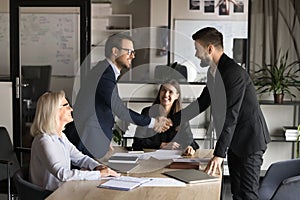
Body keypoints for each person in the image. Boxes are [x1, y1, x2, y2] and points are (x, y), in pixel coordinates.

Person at [169, 27, 270, 199]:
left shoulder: (233, 73)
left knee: (248, 195)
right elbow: (202, 103)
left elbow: (231, 116)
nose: (196, 54)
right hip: (234, 141)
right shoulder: (213, 71)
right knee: (236, 193)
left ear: (210, 49)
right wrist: (172, 120)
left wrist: (218, 154)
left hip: (249, 141)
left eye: (197, 49)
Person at [73, 33, 172, 159]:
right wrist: (153, 122)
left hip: (92, 136)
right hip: (86, 137)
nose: (133, 56)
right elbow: (119, 109)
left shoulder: (106, 71)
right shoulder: (104, 74)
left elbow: (103, 108)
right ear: (115, 51)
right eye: (129, 51)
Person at [29, 91, 120, 191]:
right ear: (54, 111)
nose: (71, 109)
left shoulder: (61, 136)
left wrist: (99, 167)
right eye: (66, 105)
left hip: (63, 190)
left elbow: (80, 159)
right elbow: (62, 174)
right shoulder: (44, 140)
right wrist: (99, 174)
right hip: (50, 195)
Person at [132, 79, 199, 156]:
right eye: (163, 90)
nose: (166, 94)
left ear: (177, 96)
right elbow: (137, 142)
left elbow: (190, 141)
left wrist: (190, 147)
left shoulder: (181, 115)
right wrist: (162, 145)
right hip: (150, 159)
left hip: (175, 160)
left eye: (170, 92)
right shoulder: (147, 112)